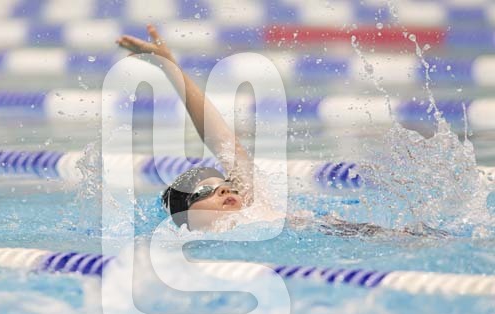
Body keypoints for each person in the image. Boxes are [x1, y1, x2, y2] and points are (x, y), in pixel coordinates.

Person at [116, 25, 448, 237]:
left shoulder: (255, 206)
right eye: (203, 193)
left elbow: (221, 140)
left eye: (223, 184)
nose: (223, 189)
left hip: (361, 236)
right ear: (184, 221)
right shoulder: (195, 244)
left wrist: (171, 67)